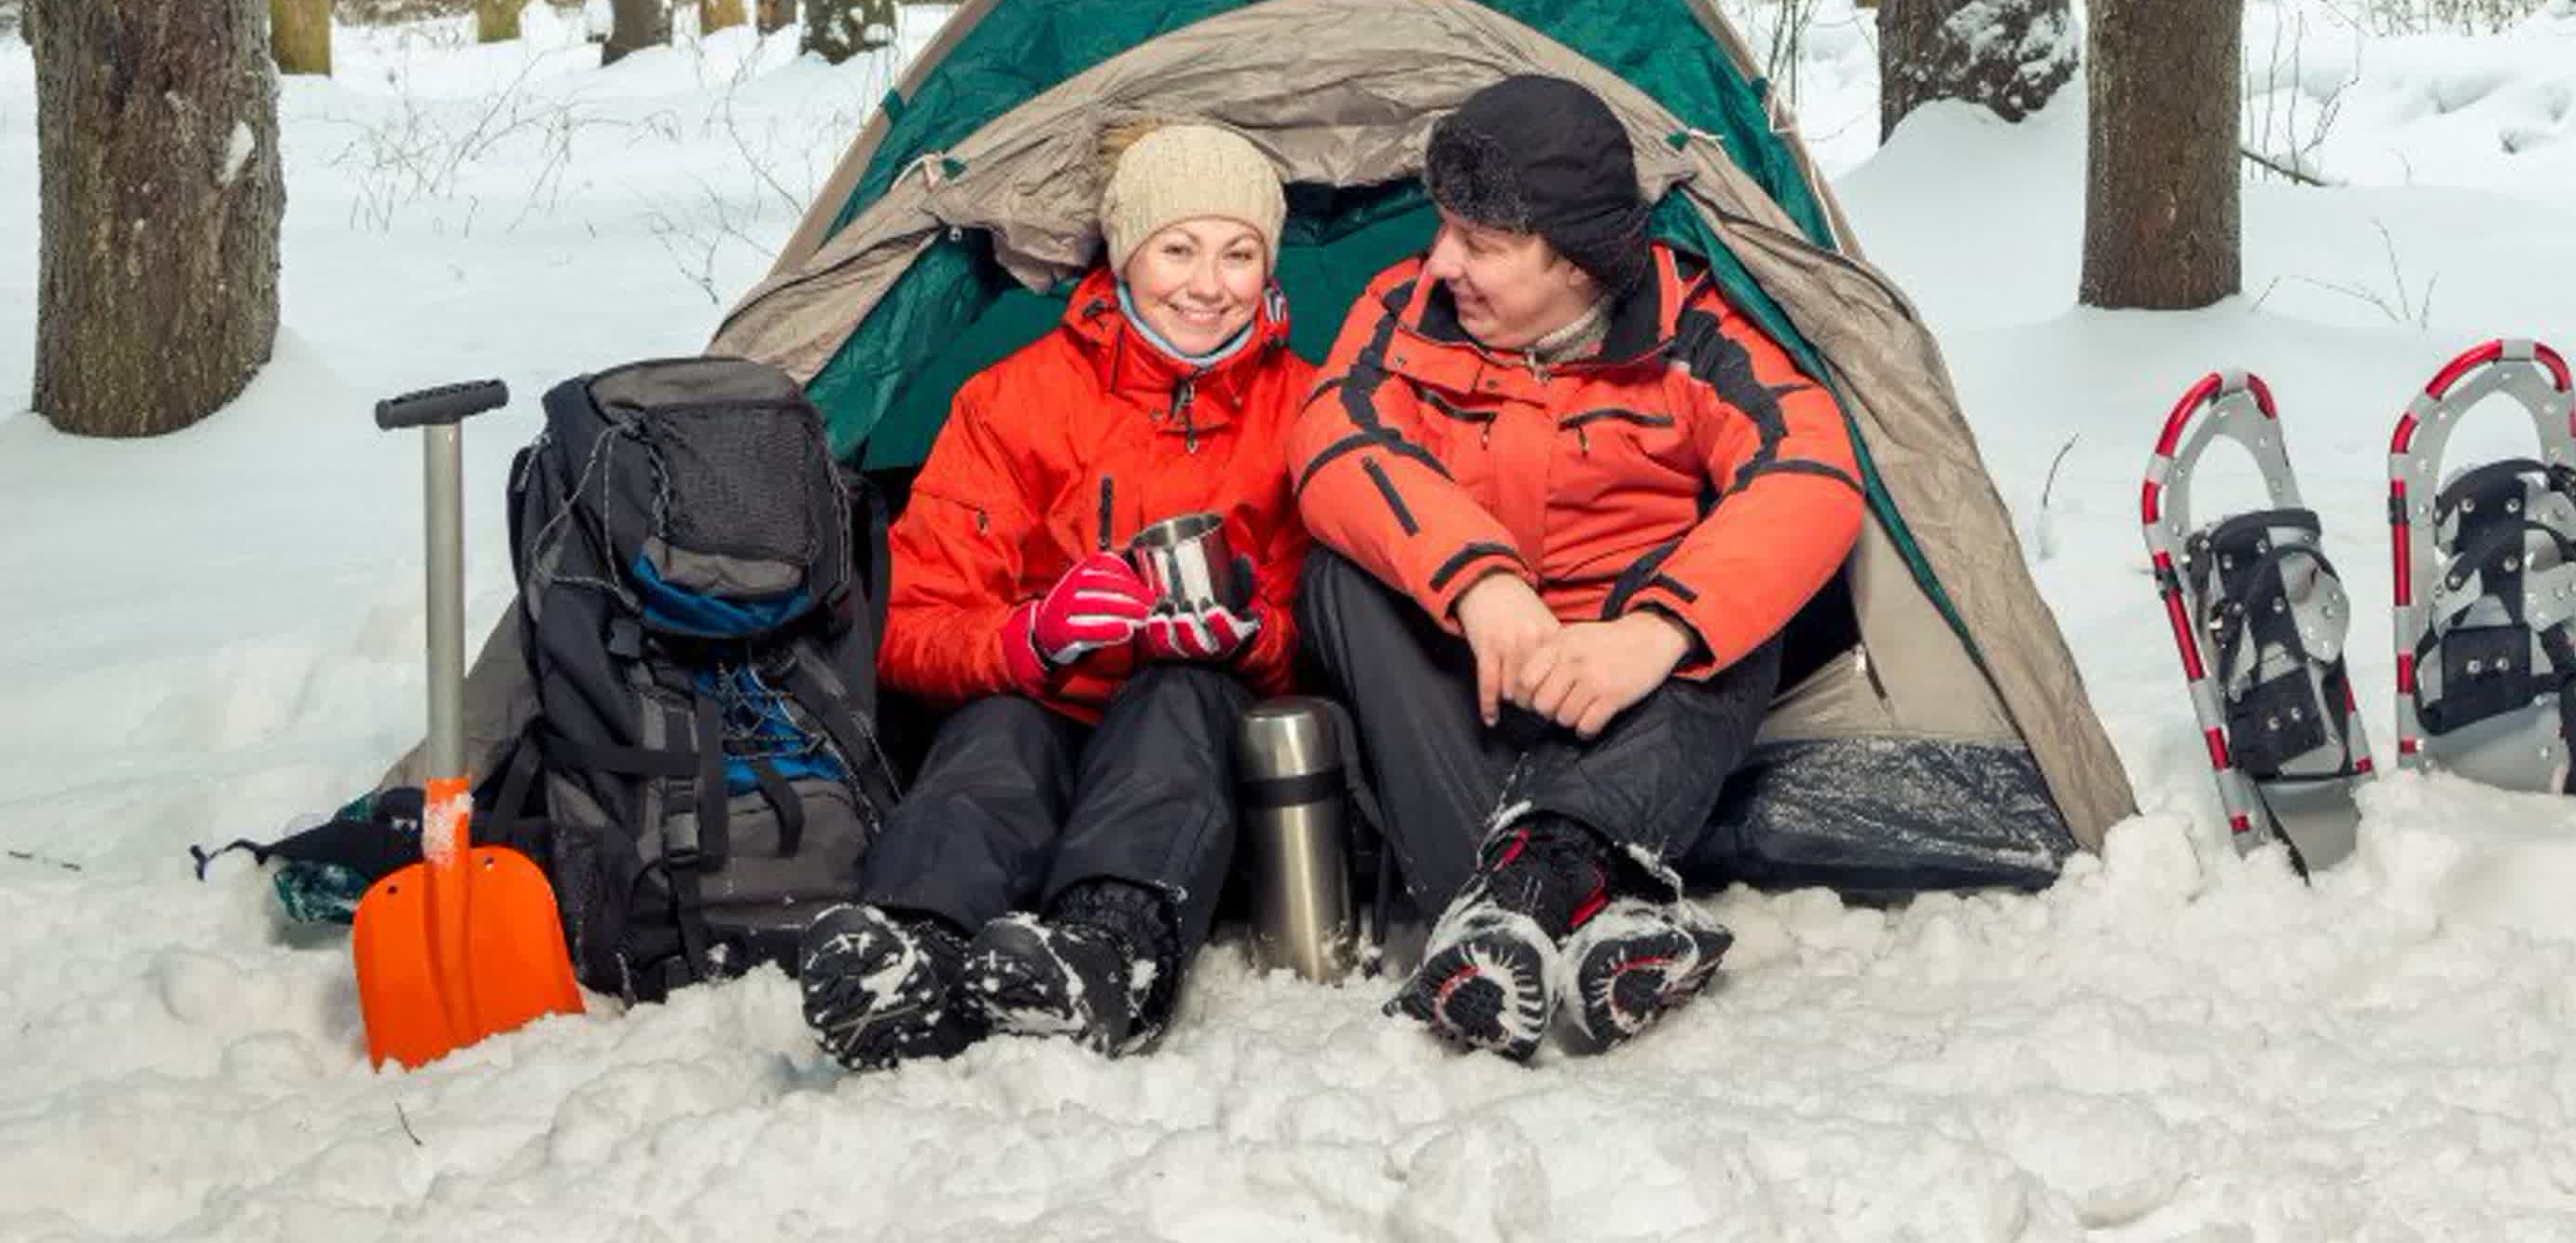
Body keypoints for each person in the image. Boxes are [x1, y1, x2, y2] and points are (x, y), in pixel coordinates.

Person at [1291, 72, 1866, 1061]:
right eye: (1444, 229)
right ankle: (1585, 898)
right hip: (1466, 680)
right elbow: (1335, 440)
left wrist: (1653, 633)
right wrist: (1479, 581)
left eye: (1481, 243)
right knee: (1338, 576)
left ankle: (1511, 904)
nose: (1441, 262)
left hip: (1624, 707)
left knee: (1737, 600)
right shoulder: (1404, 309)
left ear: (1578, 261)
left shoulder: (1697, 331)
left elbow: (1808, 468)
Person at [796, 122, 1312, 1070]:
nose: (1209, 283)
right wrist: (1030, 635)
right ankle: (911, 946)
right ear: (1124, 253)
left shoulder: (1308, 409)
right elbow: (911, 625)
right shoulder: (1012, 402)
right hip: (1046, 705)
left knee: (1176, 698)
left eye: (1240, 253)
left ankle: (1111, 949)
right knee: (998, 731)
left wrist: (1250, 632)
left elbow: (1326, 632)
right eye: (1178, 248)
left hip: (1198, 748)